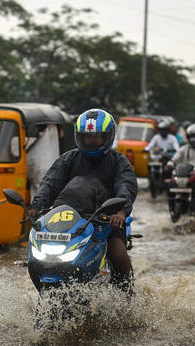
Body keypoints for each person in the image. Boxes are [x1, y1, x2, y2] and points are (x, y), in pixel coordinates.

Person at [29, 108, 137, 293]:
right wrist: (36, 206)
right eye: (87, 137)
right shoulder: (68, 159)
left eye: (96, 137)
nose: (91, 141)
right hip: (68, 222)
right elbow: (50, 182)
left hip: (105, 221)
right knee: (39, 255)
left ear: (108, 137)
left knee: (118, 254)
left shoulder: (119, 161)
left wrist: (120, 212)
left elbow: (126, 186)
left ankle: (126, 296)